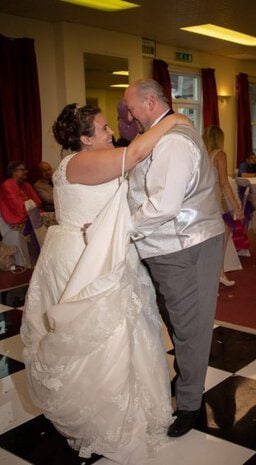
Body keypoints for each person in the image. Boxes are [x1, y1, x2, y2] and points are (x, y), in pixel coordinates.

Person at [21, 103, 190, 463]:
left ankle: (129, 408)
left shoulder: (87, 160)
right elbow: (138, 151)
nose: (109, 130)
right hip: (86, 261)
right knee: (99, 339)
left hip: (102, 252)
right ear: (84, 139)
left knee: (124, 334)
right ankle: (102, 417)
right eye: (100, 128)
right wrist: (172, 120)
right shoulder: (80, 162)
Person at [124, 79, 226, 438]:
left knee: (190, 329)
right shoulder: (162, 134)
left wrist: (122, 227)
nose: (129, 114)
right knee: (178, 323)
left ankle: (189, 404)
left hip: (186, 245)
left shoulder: (173, 142)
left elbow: (165, 205)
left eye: (131, 107)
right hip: (167, 248)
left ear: (150, 102)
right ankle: (186, 382)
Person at [202, 125, 244, 287]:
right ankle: (217, 273)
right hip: (212, 201)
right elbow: (224, 183)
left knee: (218, 234)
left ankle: (217, 272)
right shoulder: (219, 155)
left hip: (202, 200)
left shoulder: (202, 154)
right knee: (223, 233)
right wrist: (237, 208)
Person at [0, 161, 43, 228]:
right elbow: (20, 209)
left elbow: (39, 203)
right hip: (19, 220)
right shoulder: (7, 185)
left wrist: (30, 206)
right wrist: (32, 206)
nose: (26, 172)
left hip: (33, 216)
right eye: (22, 170)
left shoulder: (26, 185)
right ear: (13, 172)